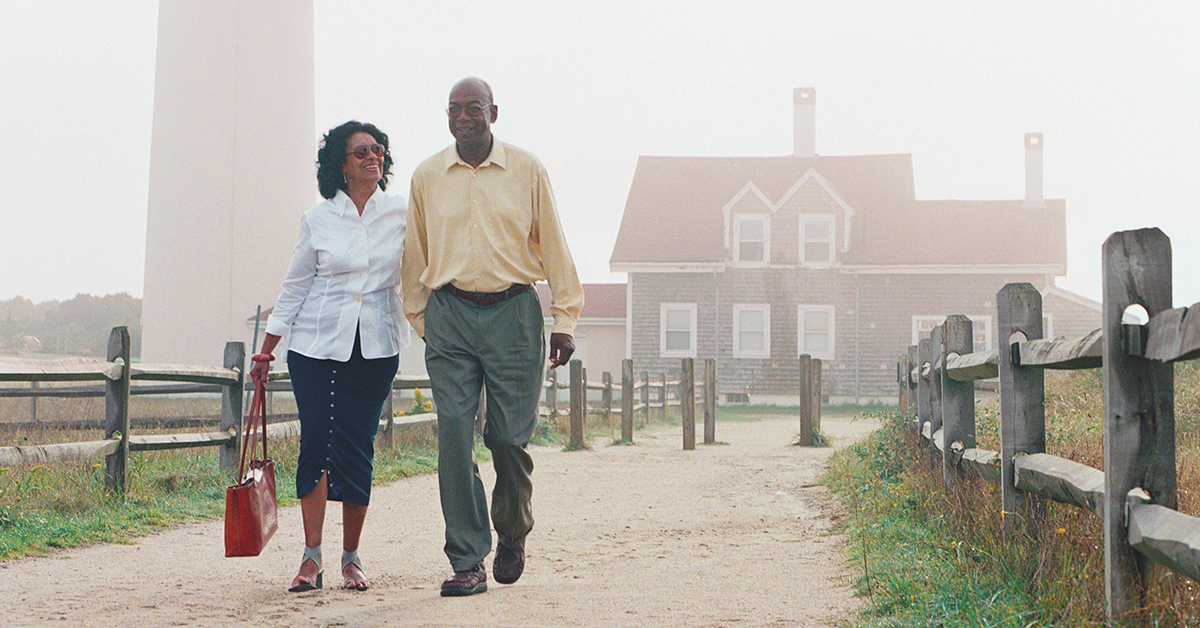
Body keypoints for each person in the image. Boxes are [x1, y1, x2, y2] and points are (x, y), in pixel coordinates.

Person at [402, 77, 584, 597]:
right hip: (451, 314)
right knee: (455, 435)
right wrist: (426, 320)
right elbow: (414, 257)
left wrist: (565, 321)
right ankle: (466, 558)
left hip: (514, 314)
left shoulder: (528, 169)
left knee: (507, 438)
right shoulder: (426, 176)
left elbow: (555, 245)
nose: (464, 117)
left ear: (493, 113)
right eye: (454, 109)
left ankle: (512, 530)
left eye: (474, 108)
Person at [250, 120, 408, 592]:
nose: (371, 158)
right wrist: (266, 351)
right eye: (360, 152)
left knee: (358, 446)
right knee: (315, 441)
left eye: (377, 150)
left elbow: (420, 273)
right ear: (341, 164)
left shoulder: (401, 213)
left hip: (376, 348)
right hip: (315, 348)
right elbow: (295, 286)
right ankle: (311, 557)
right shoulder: (317, 219)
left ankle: (352, 558)